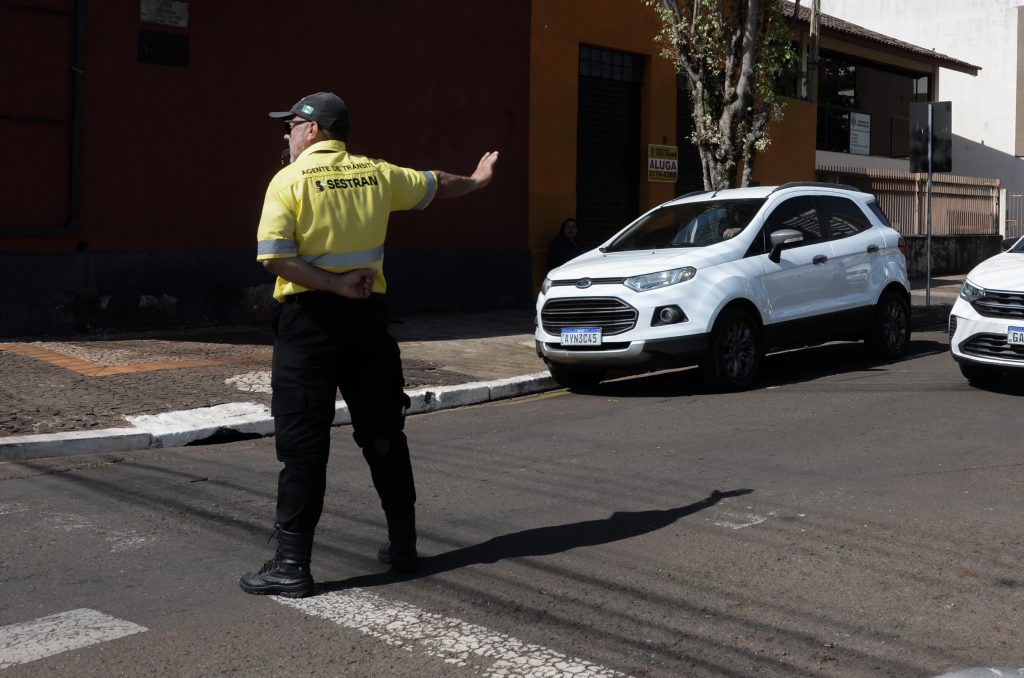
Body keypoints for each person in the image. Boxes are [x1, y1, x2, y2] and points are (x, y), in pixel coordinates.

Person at [240, 92, 498, 598]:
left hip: (308, 324)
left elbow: (272, 257)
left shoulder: (288, 180)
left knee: (303, 447)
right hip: (367, 321)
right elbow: (436, 183)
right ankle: (403, 545)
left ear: (312, 131)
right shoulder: (376, 173)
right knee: (383, 435)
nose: (285, 134)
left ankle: (292, 565)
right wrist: (479, 181)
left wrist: (331, 284)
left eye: (290, 125)